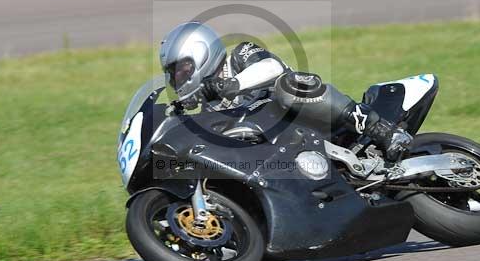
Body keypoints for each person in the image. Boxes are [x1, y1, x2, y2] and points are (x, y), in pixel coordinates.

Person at [159, 21, 413, 160]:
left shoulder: (240, 55)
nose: (178, 78)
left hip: (311, 121)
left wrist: (230, 85)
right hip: (284, 150)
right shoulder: (208, 108)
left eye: (181, 69)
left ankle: (382, 131)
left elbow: (272, 67)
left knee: (290, 86)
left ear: (201, 52)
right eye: (172, 74)